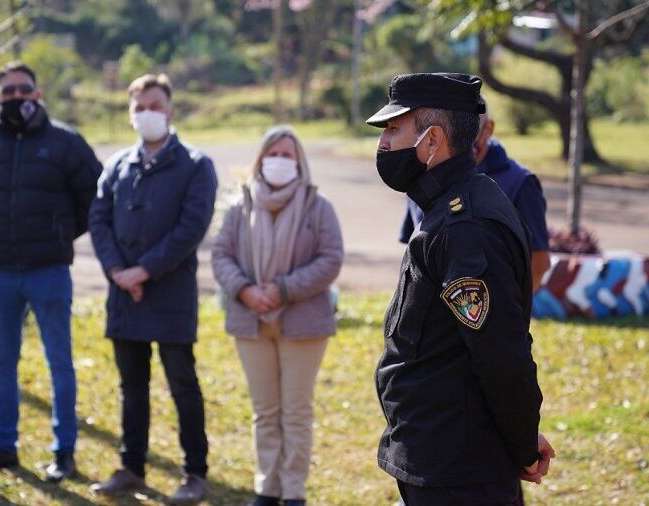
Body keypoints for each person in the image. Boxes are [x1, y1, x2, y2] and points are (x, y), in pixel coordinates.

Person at [366, 72, 555, 504]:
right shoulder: (447, 208)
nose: (383, 143)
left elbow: (502, 356)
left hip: (457, 471)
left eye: (394, 129)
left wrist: (523, 443)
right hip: (439, 456)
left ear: (432, 141)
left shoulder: (465, 227)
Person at [0, 61, 102, 482]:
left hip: (49, 270)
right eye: (8, 91)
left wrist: (59, 235)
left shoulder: (65, 142)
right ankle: (4, 447)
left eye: (24, 89)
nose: (16, 96)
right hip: (0, 273)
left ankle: (64, 453)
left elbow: (91, 197)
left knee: (60, 363)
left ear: (37, 95)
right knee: (1, 363)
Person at [89, 73, 217, 503]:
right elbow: (99, 219)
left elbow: (190, 228)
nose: (148, 114)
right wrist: (117, 271)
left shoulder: (196, 165)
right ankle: (131, 466)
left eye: (155, 106)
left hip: (169, 293)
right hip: (123, 293)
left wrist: (143, 271)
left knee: (182, 383)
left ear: (171, 110)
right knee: (132, 386)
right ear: (130, 113)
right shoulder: (117, 165)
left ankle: (194, 472)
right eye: (139, 107)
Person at [212, 126, 343, 506]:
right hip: (251, 320)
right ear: (261, 159)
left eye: (288, 155)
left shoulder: (318, 206)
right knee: (265, 411)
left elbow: (330, 259)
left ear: (299, 162)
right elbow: (221, 255)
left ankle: (293, 492)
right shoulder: (240, 206)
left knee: (296, 411)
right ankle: (267, 488)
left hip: (303, 323)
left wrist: (283, 289)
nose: (280, 162)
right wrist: (245, 290)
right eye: (274, 154)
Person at [399, 96, 551, 291]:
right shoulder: (422, 178)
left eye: (471, 132)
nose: (462, 143)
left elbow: (539, 262)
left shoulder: (520, 183)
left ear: (488, 129)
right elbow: (412, 254)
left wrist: (509, 313)